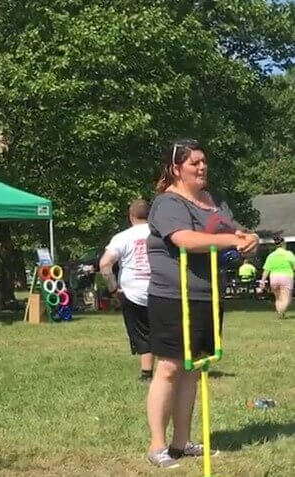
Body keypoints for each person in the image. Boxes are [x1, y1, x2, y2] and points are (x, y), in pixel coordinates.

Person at [145, 139, 259, 468]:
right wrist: (229, 240)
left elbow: (235, 231)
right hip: (172, 296)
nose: (201, 167)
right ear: (175, 168)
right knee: (168, 368)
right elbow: (184, 239)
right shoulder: (168, 203)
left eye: (203, 161)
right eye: (193, 162)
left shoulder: (214, 201)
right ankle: (157, 446)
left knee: (193, 370)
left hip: (207, 296)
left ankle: (182, 442)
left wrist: (247, 239)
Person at [99, 199, 154, 382]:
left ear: (131, 216)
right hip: (160, 289)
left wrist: (114, 289)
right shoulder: (161, 235)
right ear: (150, 215)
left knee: (141, 332)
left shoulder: (122, 237)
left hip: (132, 291)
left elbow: (105, 264)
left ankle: (147, 373)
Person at [257, 235, 295, 319]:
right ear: (284, 244)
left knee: (278, 298)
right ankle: (281, 312)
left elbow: (266, 270)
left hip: (274, 277)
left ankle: (280, 313)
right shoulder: (288, 254)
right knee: (286, 297)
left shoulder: (271, 256)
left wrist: (262, 281)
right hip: (286, 276)